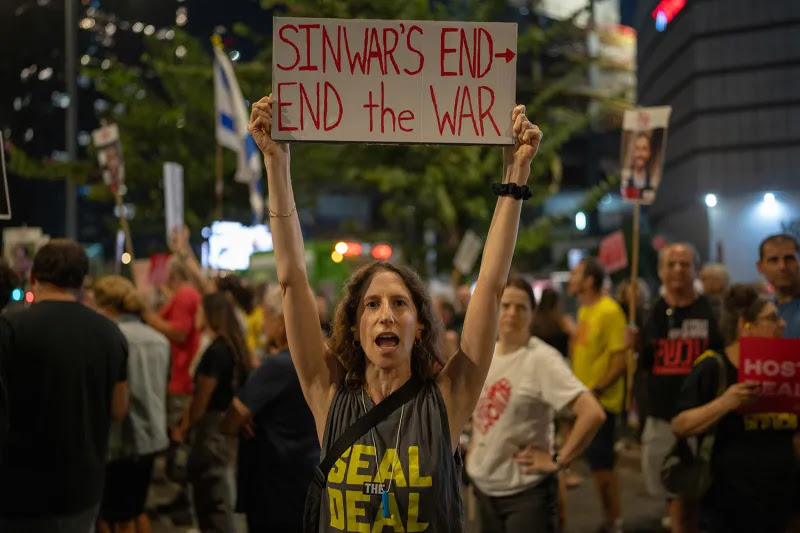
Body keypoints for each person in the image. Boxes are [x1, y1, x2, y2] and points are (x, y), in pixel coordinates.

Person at [248, 94, 542, 530]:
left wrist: (515, 173)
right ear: (355, 325)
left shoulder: (448, 400)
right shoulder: (326, 394)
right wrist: (276, 161)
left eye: (399, 303)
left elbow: (492, 288)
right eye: (372, 304)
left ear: (419, 326)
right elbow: (292, 279)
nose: (386, 313)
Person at [0, 239, 129, 532]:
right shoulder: (110, 333)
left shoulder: (11, 328)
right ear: (82, 281)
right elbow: (119, 409)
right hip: (84, 489)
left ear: (32, 275)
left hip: (21, 492)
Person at [467, 278, 606, 533]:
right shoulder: (485, 354)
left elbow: (592, 412)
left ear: (532, 314)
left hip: (526, 495)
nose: (512, 313)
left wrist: (559, 459)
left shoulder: (542, 359)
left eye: (521, 307)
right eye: (506, 305)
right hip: (484, 487)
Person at [672, 284, 800, 533]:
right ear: (745, 325)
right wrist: (725, 402)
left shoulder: (788, 367)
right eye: (772, 319)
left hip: (783, 501)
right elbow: (680, 425)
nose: (782, 325)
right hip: (729, 504)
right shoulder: (713, 367)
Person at [639, 244, 724, 533]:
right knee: (670, 486)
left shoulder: (712, 310)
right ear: (661, 271)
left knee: (698, 490)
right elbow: (645, 364)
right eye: (671, 264)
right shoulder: (652, 313)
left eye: (685, 264)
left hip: (703, 417)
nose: (678, 270)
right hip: (662, 415)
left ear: (696, 269)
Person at [221, 285, 320, 532]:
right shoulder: (320, 360)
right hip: (310, 476)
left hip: (275, 485)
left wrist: (244, 418)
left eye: (266, 316)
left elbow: (231, 421)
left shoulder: (276, 367)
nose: (264, 325)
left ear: (280, 320)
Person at [94, 276, 171, 533]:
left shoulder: (109, 338)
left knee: (111, 515)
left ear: (106, 305)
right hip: (151, 435)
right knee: (137, 509)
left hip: (119, 440)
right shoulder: (159, 339)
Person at [172, 292, 251, 532]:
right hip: (227, 432)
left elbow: (202, 398)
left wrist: (184, 428)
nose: (197, 315)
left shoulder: (216, 351)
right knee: (221, 492)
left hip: (211, 433)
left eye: (199, 311)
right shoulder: (234, 347)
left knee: (211, 496)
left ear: (210, 314)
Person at [567, 257, 628, 533]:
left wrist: (596, 389)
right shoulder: (584, 310)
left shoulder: (610, 311)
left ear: (589, 281)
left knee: (604, 468)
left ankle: (614, 521)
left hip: (601, 403)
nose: (571, 278)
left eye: (577, 274)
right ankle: (607, 518)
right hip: (584, 400)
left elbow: (620, 360)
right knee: (595, 466)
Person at [756, 233, 800, 338]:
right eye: (773, 260)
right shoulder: (763, 312)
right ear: (760, 267)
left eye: (789, 258)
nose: (782, 266)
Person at [531, 287, 575, 358]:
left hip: (539, 361)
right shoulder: (562, 323)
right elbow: (571, 351)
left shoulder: (534, 323)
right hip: (559, 363)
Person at [622, 132, 655, 201]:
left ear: (649, 153)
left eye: (644, 149)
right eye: (637, 148)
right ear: (632, 152)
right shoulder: (625, 177)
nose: (640, 153)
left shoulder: (653, 181)